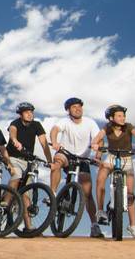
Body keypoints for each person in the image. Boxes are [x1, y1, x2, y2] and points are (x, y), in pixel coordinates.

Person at [91, 105, 135, 238]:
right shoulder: (107, 128)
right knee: (100, 179)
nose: (122, 118)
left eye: (123, 116)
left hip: (126, 159)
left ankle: (133, 226)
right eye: (119, 116)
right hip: (111, 158)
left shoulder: (128, 127)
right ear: (111, 118)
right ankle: (100, 211)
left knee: (130, 194)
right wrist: (95, 143)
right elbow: (98, 137)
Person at [49, 97, 103, 238]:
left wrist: (97, 155)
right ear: (68, 110)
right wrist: (54, 142)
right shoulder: (65, 121)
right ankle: (52, 194)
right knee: (56, 164)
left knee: (87, 193)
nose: (78, 109)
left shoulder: (90, 122)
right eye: (74, 107)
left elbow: (99, 139)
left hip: (82, 159)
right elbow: (55, 130)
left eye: (79, 106)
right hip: (66, 154)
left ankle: (94, 225)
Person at [6, 102, 53, 232]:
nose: (30, 114)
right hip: (13, 158)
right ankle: (4, 203)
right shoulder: (15, 123)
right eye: (27, 112)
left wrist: (50, 161)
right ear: (20, 114)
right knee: (17, 175)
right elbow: (12, 132)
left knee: (27, 192)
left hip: (28, 161)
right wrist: (14, 140)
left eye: (31, 112)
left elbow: (44, 143)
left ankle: (28, 226)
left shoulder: (36, 125)